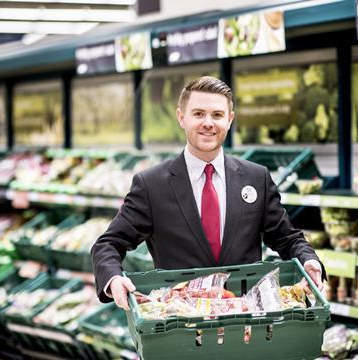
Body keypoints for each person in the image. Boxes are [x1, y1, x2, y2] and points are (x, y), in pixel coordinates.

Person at [91, 76, 324, 310]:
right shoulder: (152, 185)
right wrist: (113, 279)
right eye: (198, 114)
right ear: (181, 118)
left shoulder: (256, 178)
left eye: (217, 115)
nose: (208, 123)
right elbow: (109, 243)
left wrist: (309, 259)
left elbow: (287, 237)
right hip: (180, 324)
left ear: (230, 119)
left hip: (245, 322)